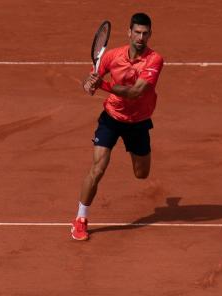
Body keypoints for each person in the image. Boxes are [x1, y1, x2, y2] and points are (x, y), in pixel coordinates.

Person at [70, 12, 165, 241]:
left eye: (145, 33)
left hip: (139, 121)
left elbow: (135, 92)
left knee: (142, 174)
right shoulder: (112, 56)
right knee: (98, 168)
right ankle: (80, 220)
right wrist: (89, 84)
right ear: (129, 32)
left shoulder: (154, 60)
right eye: (137, 32)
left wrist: (102, 84)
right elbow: (90, 81)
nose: (141, 37)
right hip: (112, 118)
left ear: (150, 34)